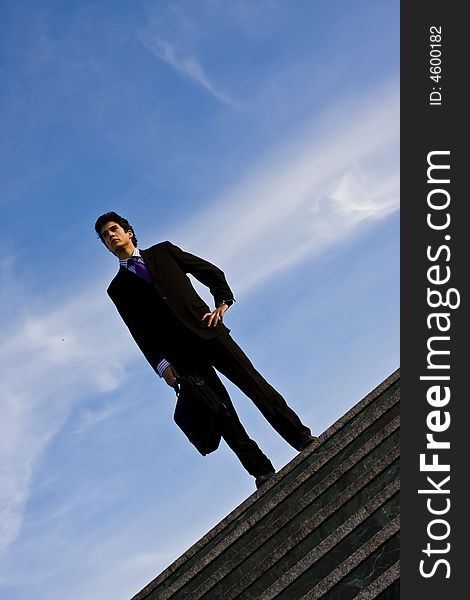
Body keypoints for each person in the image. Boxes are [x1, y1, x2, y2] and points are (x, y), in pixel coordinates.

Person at [94, 211, 316, 488]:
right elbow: (138, 331)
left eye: (114, 229)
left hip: (210, 332)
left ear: (129, 232)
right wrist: (162, 366)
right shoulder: (117, 289)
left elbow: (210, 272)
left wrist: (222, 302)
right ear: (105, 246)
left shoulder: (164, 252)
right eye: (104, 236)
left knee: (256, 386)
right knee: (221, 413)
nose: (110, 236)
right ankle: (261, 470)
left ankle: (301, 438)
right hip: (180, 355)